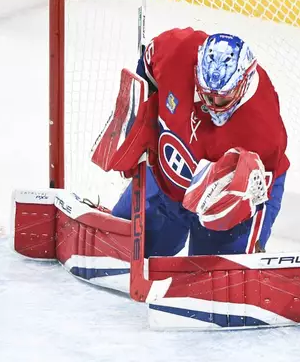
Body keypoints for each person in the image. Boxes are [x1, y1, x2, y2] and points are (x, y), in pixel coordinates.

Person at [110, 28, 289, 257]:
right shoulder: (177, 50)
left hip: (228, 197)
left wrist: (246, 243)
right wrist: (136, 125)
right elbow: (145, 71)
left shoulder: (263, 130)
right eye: (206, 94)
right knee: (118, 249)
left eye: (222, 97)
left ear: (242, 84)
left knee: (216, 284)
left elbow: (258, 196)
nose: (212, 103)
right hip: (167, 176)